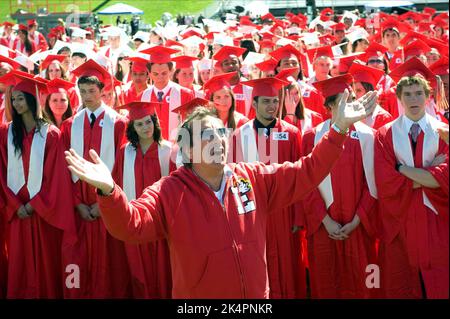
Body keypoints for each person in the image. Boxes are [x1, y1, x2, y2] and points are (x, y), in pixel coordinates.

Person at [65, 86, 378, 298]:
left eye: (220, 133)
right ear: (185, 147)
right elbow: (131, 225)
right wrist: (109, 191)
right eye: (205, 135)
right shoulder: (170, 191)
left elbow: (308, 171)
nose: (217, 140)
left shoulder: (251, 178)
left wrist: (338, 129)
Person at [0, 72, 76, 298]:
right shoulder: (5, 133)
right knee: (19, 264)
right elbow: (1, 173)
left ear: (32, 99)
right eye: (14, 99)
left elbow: (57, 178)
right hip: (17, 214)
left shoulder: (51, 134)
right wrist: (15, 205)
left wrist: (35, 205)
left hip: (43, 214)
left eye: (21, 98)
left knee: (45, 264)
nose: (17, 103)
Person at [230, 77, 307, 298]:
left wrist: (298, 217)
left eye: (275, 101)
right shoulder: (239, 136)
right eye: (265, 101)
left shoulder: (291, 134)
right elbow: (234, 182)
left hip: (284, 214)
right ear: (254, 104)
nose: (272, 106)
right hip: (254, 214)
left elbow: (300, 178)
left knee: (288, 267)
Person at [302, 74, 378, 298]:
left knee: (363, 285)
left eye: (352, 99)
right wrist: (325, 221)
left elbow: (372, 184)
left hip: (359, 227)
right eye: (341, 102)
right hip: (325, 227)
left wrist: (358, 220)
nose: (349, 105)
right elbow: (306, 186)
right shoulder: (312, 137)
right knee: (327, 285)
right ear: (328, 107)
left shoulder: (367, 136)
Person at [60, 59, 130, 298]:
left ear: (102, 91)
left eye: (91, 91)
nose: (87, 96)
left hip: (107, 208)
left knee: (111, 264)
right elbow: (64, 168)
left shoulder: (119, 123)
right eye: (82, 91)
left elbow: (121, 167)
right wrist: (77, 203)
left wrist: (104, 204)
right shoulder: (70, 125)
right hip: (80, 208)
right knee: (80, 260)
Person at [374, 75, 449, 299]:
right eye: (407, 94)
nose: (413, 99)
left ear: (428, 97)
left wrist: (400, 169)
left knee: (439, 280)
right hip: (401, 217)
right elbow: (385, 181)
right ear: (399, 98)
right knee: (404, 282)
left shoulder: (444, 132)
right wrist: (430, 173)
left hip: (436, 217)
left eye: (418, 93)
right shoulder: (385, 134)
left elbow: (445, 178)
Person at [112, 102, 175, 298]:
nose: (145, 128)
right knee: (138, 270)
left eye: (148, 122)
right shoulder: (126, 152)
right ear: (132, 128)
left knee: (164, 269)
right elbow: (117, 183)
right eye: (139, 124)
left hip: (161, 221)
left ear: (155, 122)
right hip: (136, 219)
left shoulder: (168, 151)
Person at [140, 45, 195, 140]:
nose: (160, 77)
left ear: (171, 71)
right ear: (149, 73)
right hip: (153, 150)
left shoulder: (185, 94)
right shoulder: (144, 96)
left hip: (177, 150)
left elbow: (194, 126)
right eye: (155, 74)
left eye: (164, 73)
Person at [212, 45, 254, 119]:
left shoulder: (249, 88)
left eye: (234, 62)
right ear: (221, 67)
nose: (231, 66)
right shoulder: (215, 89)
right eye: (226, 63)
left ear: (240, 65)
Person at [348, 63, 394, 129]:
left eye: (359, 90)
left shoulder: (383, 117)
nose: (354, 95)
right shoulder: (349, 113)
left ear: (369, 92)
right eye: (352, 90)